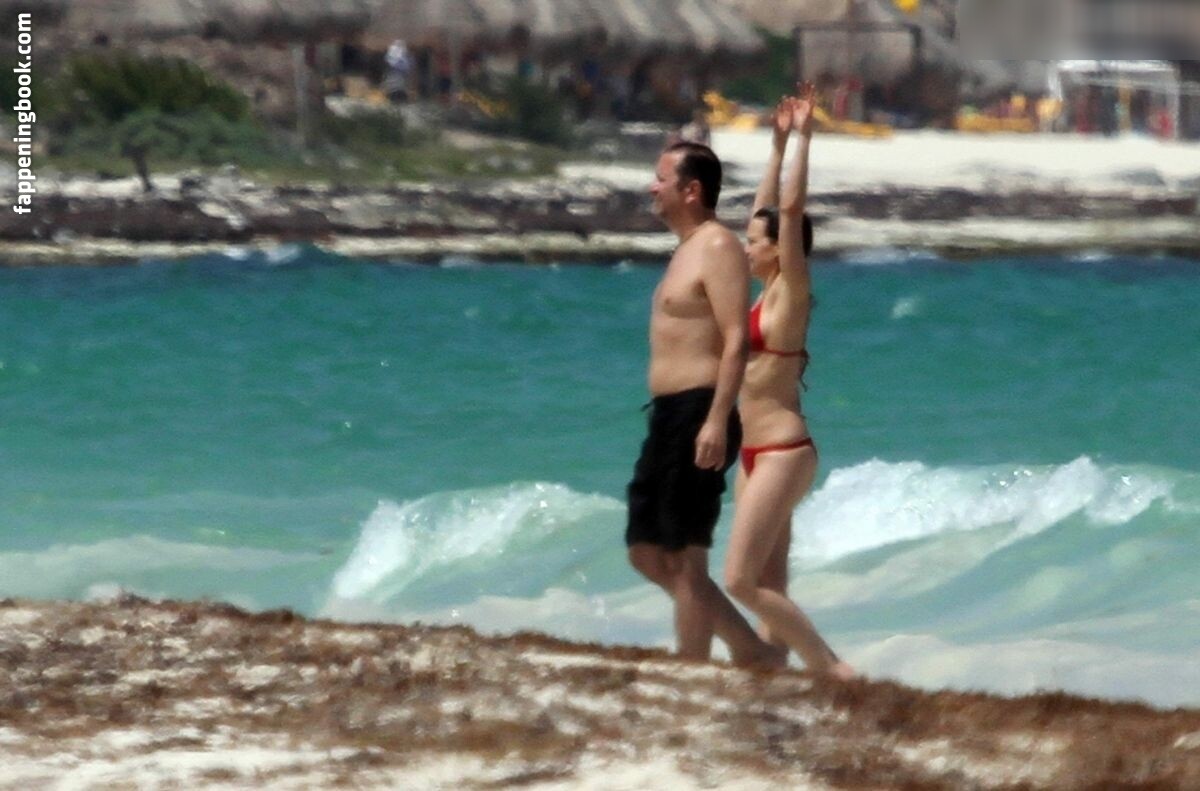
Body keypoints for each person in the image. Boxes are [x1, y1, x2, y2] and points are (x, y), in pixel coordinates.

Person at [626, 141, 782, 667]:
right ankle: (752, 651)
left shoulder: (717, 246)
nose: (652, 187)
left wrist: (717, 418)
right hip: (668, 415)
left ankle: (693, 669)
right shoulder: (686, 248)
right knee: (646, 551)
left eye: (661, 178)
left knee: (684, 557)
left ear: (691, 191)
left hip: (699, 411)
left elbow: (737, 338)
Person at [722, 85, 854, 680]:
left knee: (739, 579)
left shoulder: (789, 295)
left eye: (754, 243)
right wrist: (773, 146)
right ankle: (773, 674)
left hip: (782, 450)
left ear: (780, 252)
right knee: (770, 583)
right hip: (753, 455)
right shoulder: (762, 294)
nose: (745, 248)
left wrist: (803, 138)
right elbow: (767, 210)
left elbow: (790, 213)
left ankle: (833, 670)